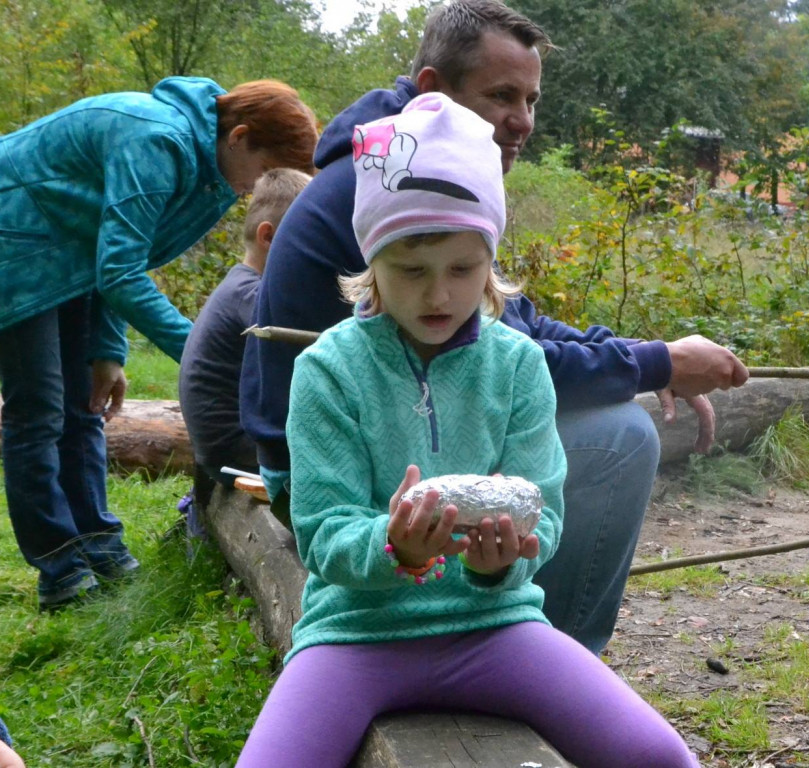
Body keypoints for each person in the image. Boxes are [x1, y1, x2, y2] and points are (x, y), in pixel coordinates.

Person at [240, 0, 748, 654]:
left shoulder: (415, 170)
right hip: (329, 478)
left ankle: (527, 645)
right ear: (432, 91)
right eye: (502, 95)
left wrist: (651, 358)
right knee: (623, 438)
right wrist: (656, 365)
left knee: (604, 422)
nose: (523, 121)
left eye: (532, 100)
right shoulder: (386, 194)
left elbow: (518, 330)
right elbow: (525, 358)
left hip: (396, 444)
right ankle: (556, 648)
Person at [236, 91, 701, 768]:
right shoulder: (327, 370)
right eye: (410, 270)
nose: (439, 295)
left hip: (496, 629)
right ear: (372, 264)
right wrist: (395, 546)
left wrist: (500, 565)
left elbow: (545, 515)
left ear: (491, 264)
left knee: (662, 758)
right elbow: (323, 533)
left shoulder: (517, 367)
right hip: (355, 636)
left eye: (462, 268)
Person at [0, 77, 319, 611]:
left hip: (66, 254)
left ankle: (99, 545)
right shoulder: (157, 141)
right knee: (39, 411)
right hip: (15, 244)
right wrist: (200, 349)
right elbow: (119, 270)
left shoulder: (208, 172)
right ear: (239, 136)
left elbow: (115, 250)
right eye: (264, 173)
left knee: (82, 409)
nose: (254, 190)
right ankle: (60, 568)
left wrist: (107, 351)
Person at [178, 167, 312, 518]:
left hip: (223, 447)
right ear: (269, 238)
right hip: (236, 451)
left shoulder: (239, 285)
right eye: (307, 242)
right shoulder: (253, 296)